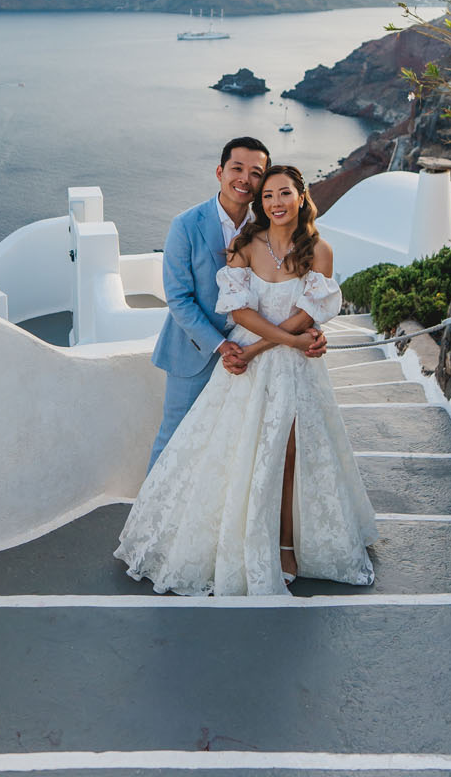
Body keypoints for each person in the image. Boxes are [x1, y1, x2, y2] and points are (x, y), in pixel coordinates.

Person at [115, 164, 378, 595]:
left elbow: (307, 316)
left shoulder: (320, 251)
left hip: (287, 364)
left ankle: (287, 545)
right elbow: (239, 314)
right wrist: (281, 343)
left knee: (292, 453)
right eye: (269, 195)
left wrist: (261, 348)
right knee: (239, 450)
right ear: (261, 201)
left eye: (285, 193)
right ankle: (234, 541)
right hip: (248, 363)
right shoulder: (244, 247)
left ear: (301, 197)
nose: (276, 202)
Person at [147, 137, 326, 472]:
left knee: (233, 446)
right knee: (175, 439)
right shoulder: (185, 225)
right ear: (220, 171)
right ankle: (149, 522)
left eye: (256, 172)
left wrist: (312, 328)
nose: (245, 178)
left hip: (255, 352)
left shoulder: (269, 225)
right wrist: (220, 346)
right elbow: (179, 298)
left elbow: (290, 286)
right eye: (237, 168)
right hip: (196, 352)